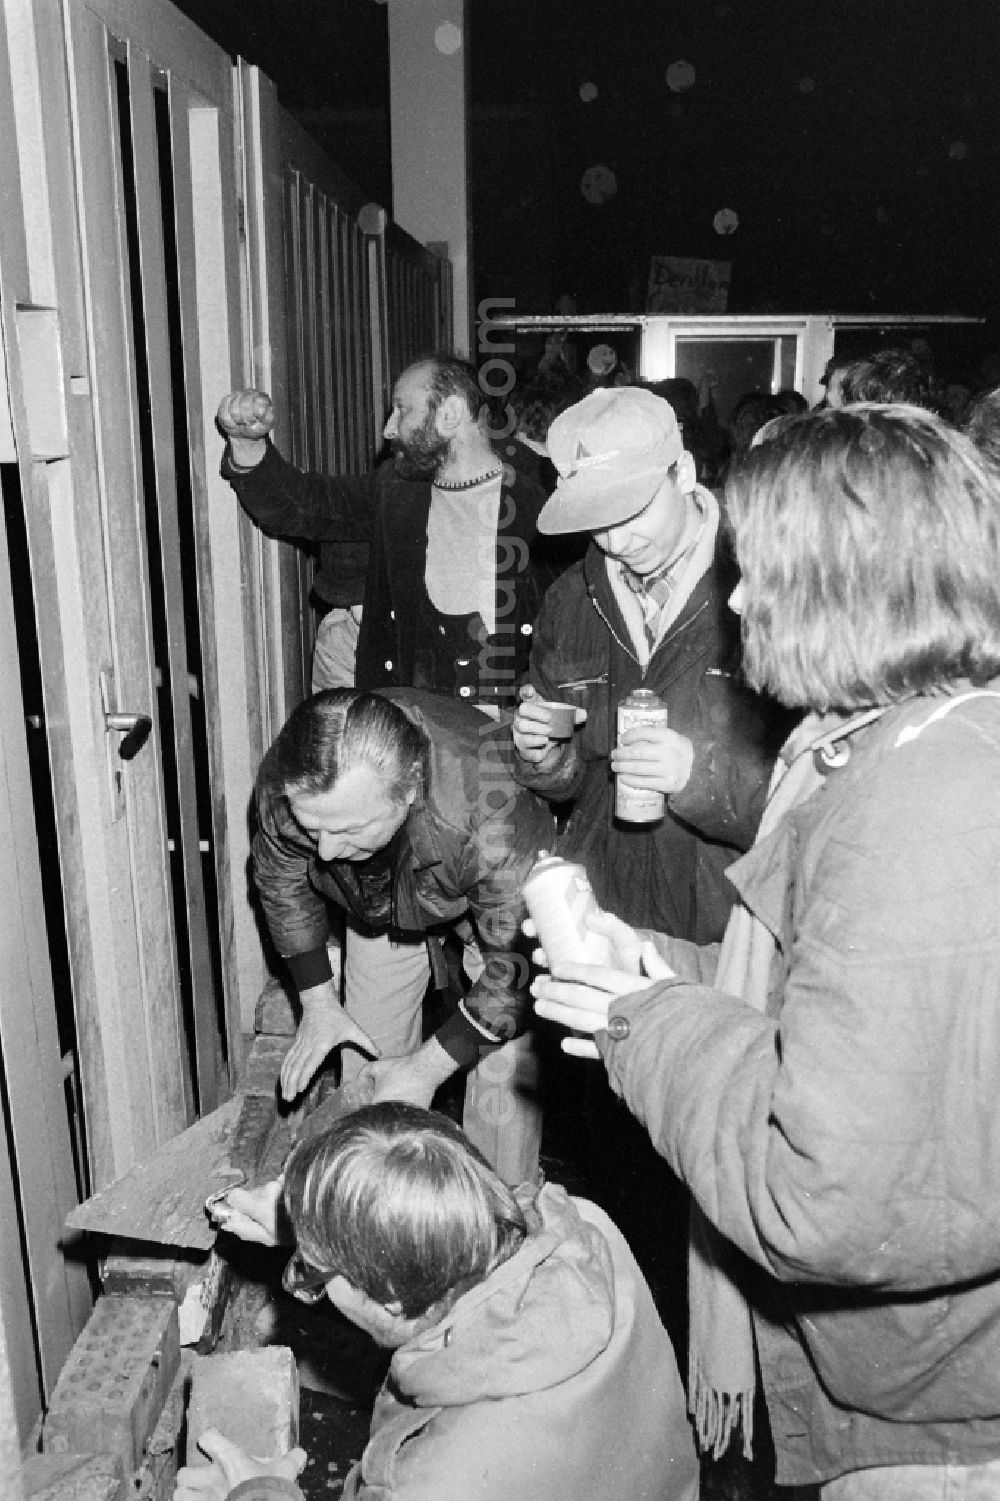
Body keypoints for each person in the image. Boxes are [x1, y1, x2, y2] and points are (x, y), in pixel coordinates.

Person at [532, 403, 1000, 1495]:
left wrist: (649, 1020)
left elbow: (816, 1191)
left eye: (763, 570)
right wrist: (653, 975)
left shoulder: (920, 802)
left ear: (841, 585)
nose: (738, 601)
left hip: (939, 1428)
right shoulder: (909, 745)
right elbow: (835, 1020)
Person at [175, 1102, 700, 1501]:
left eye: (315, 1274)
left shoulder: (431, 1480)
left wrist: (260, 1494)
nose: (312, 1283)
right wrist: (321, 1218)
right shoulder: (585, 1228)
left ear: (396, 1300)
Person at [512, 384, 789, 945]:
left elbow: (818, 802)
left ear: (683, 472)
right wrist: (544, 756)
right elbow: (570, 787)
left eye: (631, 509)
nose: (615, 540)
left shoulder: (771, 579)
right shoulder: (570, 601)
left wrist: (699, 777)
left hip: (731, 926)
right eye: (595, 519)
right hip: (609, 920)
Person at [253, 687, 554, 1184]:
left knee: (505, 1071)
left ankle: (501, 1208)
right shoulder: (293, 779)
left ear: (410, 788)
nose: (324, 853)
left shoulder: (491, 811)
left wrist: (429, 1067)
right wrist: (320, 1001)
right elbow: (282, 879)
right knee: (368, 1071)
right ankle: (366, 1210)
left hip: (492, 905)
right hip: (376, 902)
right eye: (314, 829)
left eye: (348, 830)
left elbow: (518, 969)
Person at [216, 354, 556, 709]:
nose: (389, 430)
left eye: (403, 410)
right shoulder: (396, 488)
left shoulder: (546, 496)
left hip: (514, 733)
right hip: (418, 726)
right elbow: (306, 505)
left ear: (451, 413)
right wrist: (248, 444)